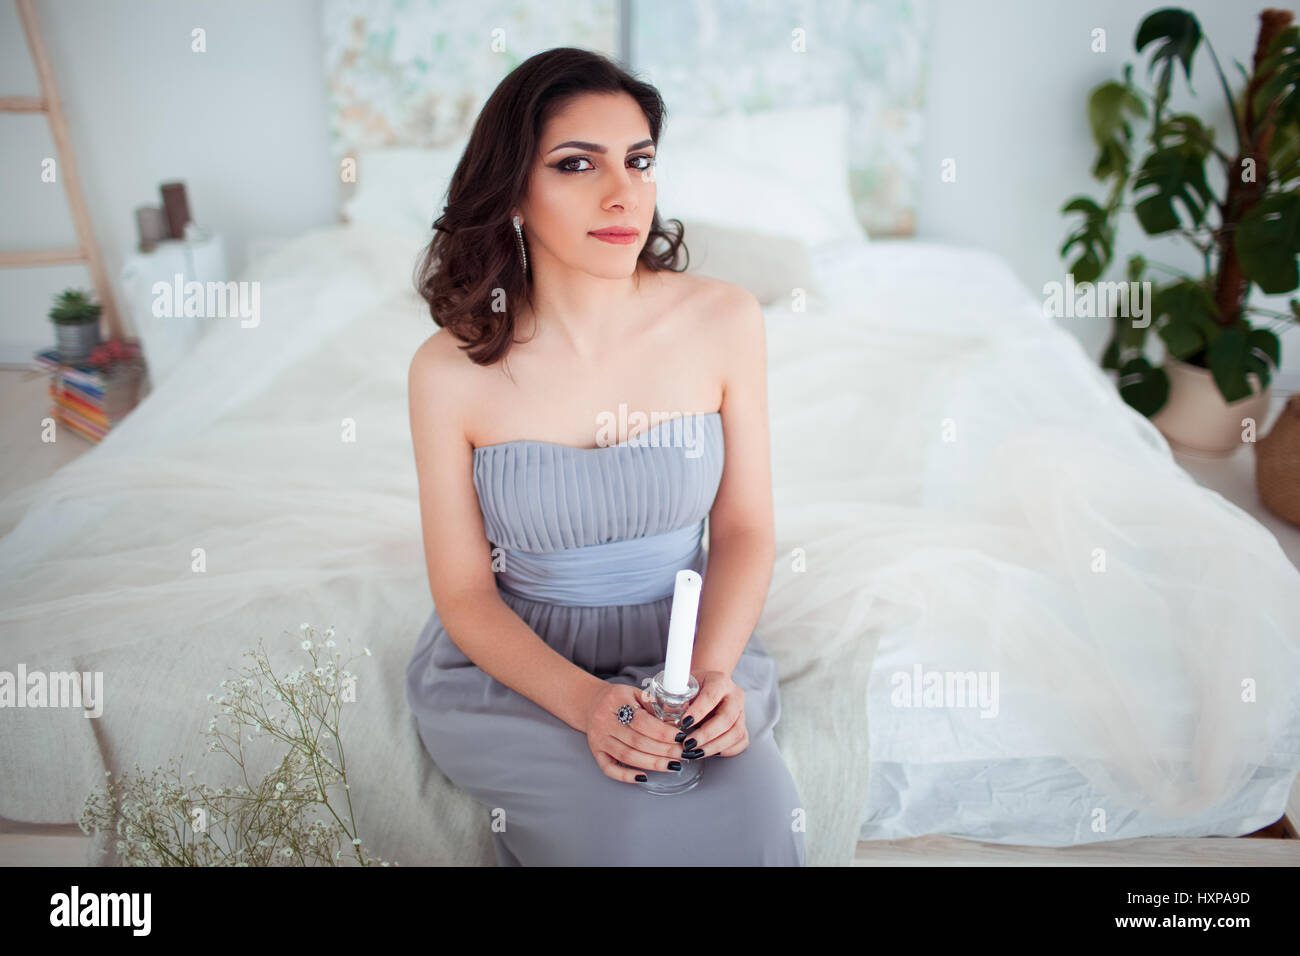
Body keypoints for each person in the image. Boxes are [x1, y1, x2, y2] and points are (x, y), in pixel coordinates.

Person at [404, 46, 806, 866]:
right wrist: (590, 703)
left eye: (640, 161)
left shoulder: (725, 320)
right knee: (628, 830)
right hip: (527, 671)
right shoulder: (447, 372)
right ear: (514, 187)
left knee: (763, 811)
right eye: (576, 164)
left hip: (686, 650)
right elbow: (464, 594)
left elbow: (745, 533)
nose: (623, 193)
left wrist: (708, 675)